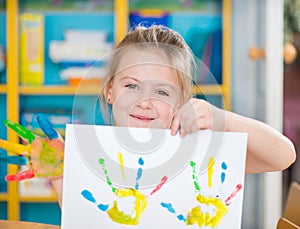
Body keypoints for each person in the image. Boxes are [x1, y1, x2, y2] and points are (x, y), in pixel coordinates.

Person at [0, 25, 296, 208]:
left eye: (163, 92)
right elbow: (85, 218)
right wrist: (61, 177)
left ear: (184, 101)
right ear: (109, 92)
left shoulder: (198, 150)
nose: (145, 102)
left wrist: (225, 121)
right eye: (131, 86)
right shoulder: (92, 154)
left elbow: (283, 156)